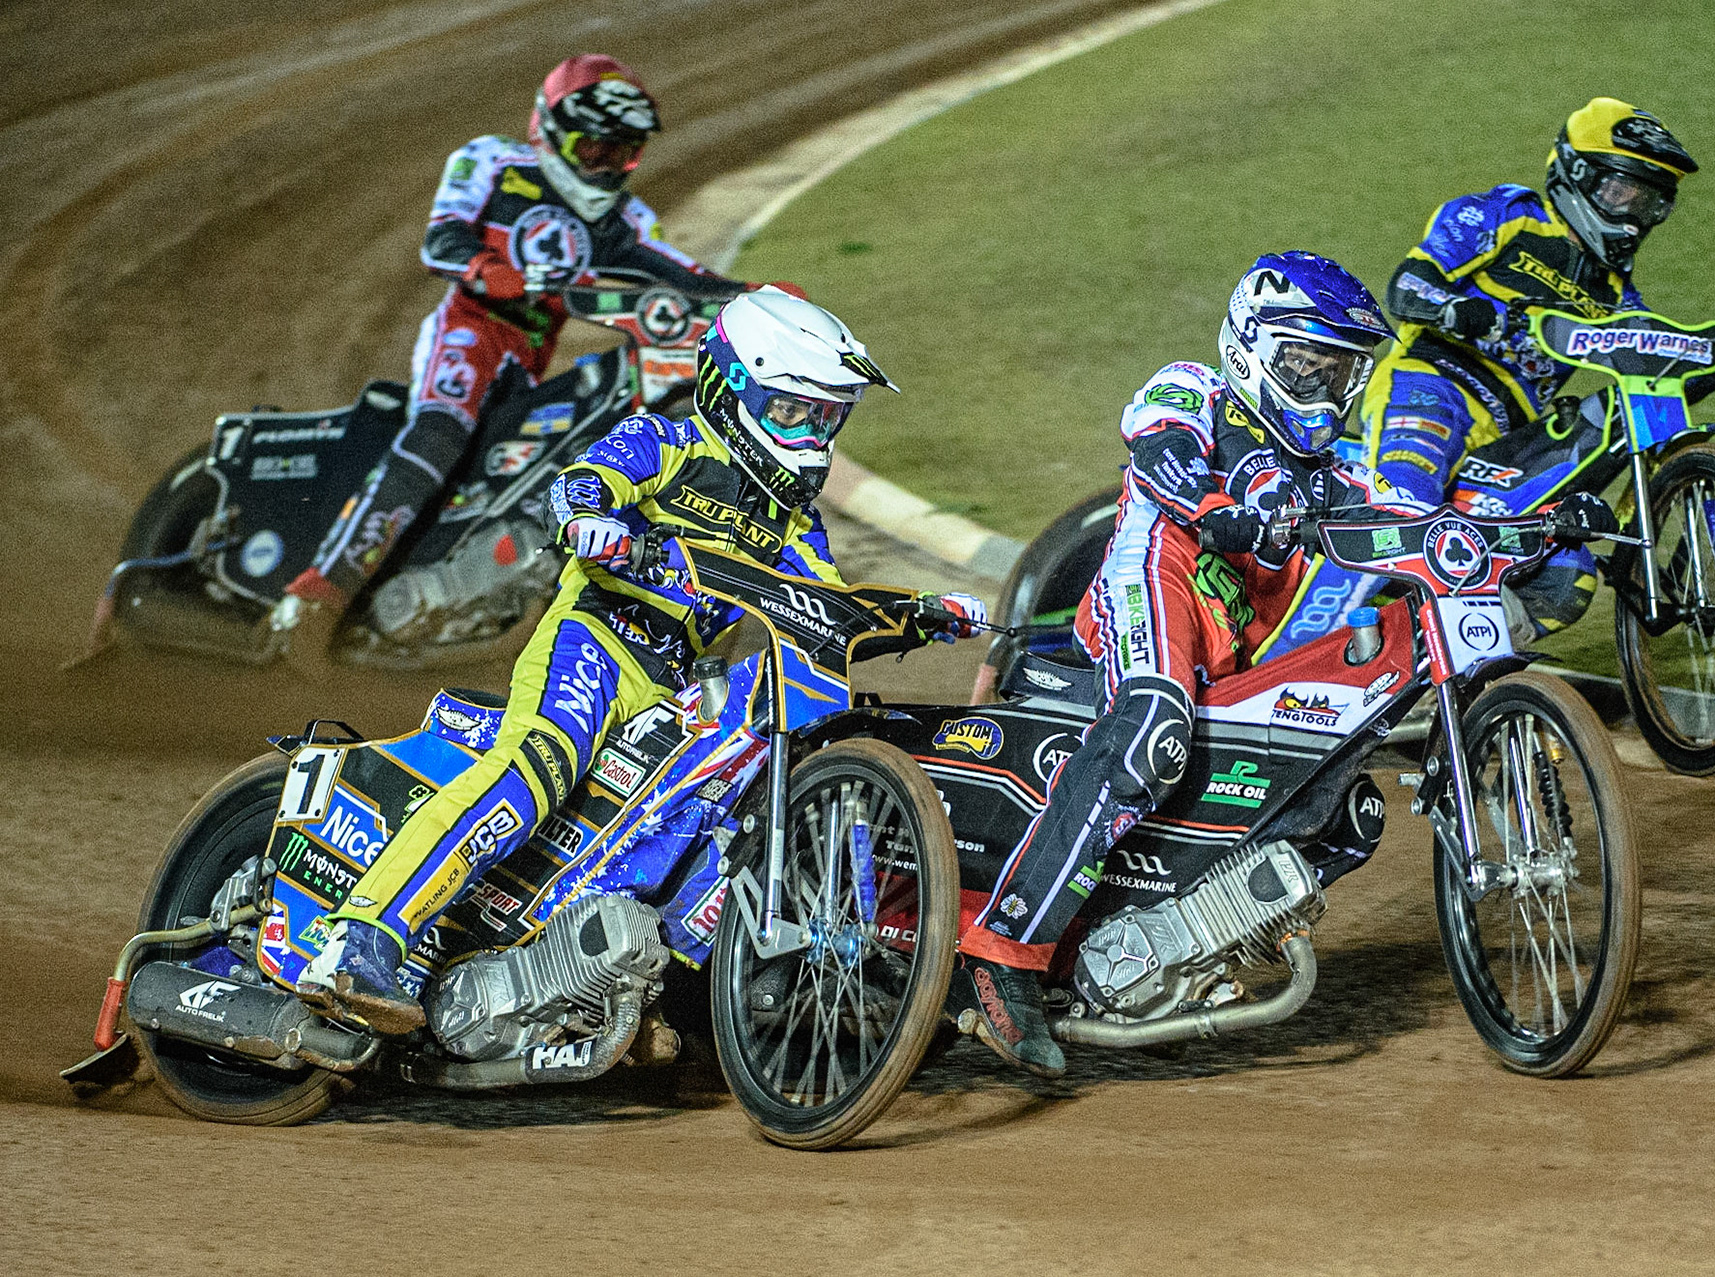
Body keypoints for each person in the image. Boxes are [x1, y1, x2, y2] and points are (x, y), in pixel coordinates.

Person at [296, 288, 988, 1033]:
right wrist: (592, 520)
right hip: (595, 643)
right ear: (733, 387)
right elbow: (582, 483)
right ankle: (362, 937)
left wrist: (918, 612)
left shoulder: (794, 522)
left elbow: (826, 605)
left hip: (678, 691)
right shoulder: (667, 442)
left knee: (714, 809)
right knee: (536, 768)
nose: (812, 435)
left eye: (827, 417)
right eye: (794, 411)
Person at [947, 252, 1426, 1077]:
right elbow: (1162, 457)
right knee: (1153, 728)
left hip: (1226, 648)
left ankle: (1185, 940)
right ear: (1251, 349)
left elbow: (1411, 519)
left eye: (1340, 371)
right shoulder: (1192, 388)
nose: (1323, 388)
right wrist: (1217, 508)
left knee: (1346, 803)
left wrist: (1518, 533)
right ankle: (1004, 951)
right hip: (1150, 580)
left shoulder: (1335, 477)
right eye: (1307, 364)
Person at [271, 54, 759, 649]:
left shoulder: (627, 219)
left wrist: (757, 297)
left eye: (623, 153)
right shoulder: (493, 162)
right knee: (440, 432)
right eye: (594, 148)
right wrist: (484, 267)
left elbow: (687, 277)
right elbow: (440, 237)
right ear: (551, 130)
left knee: (525, 456)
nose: (606, 166)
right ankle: (318, 593)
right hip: (468, 331)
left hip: (526, 361)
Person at [1359, 96, 1715, 638]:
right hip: (1430, 385)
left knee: (1568, 577)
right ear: (1577, 174)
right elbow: (1406, 287)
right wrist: (1461, 311)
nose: (1634, 216)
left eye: (1650, 202)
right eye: (1623, 191)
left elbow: (1661, 373)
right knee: (1405, 509)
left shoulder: (1616, 296)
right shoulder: (1506, 216)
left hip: (1511, 440)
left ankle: (1460, 666)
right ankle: (1348, 638)